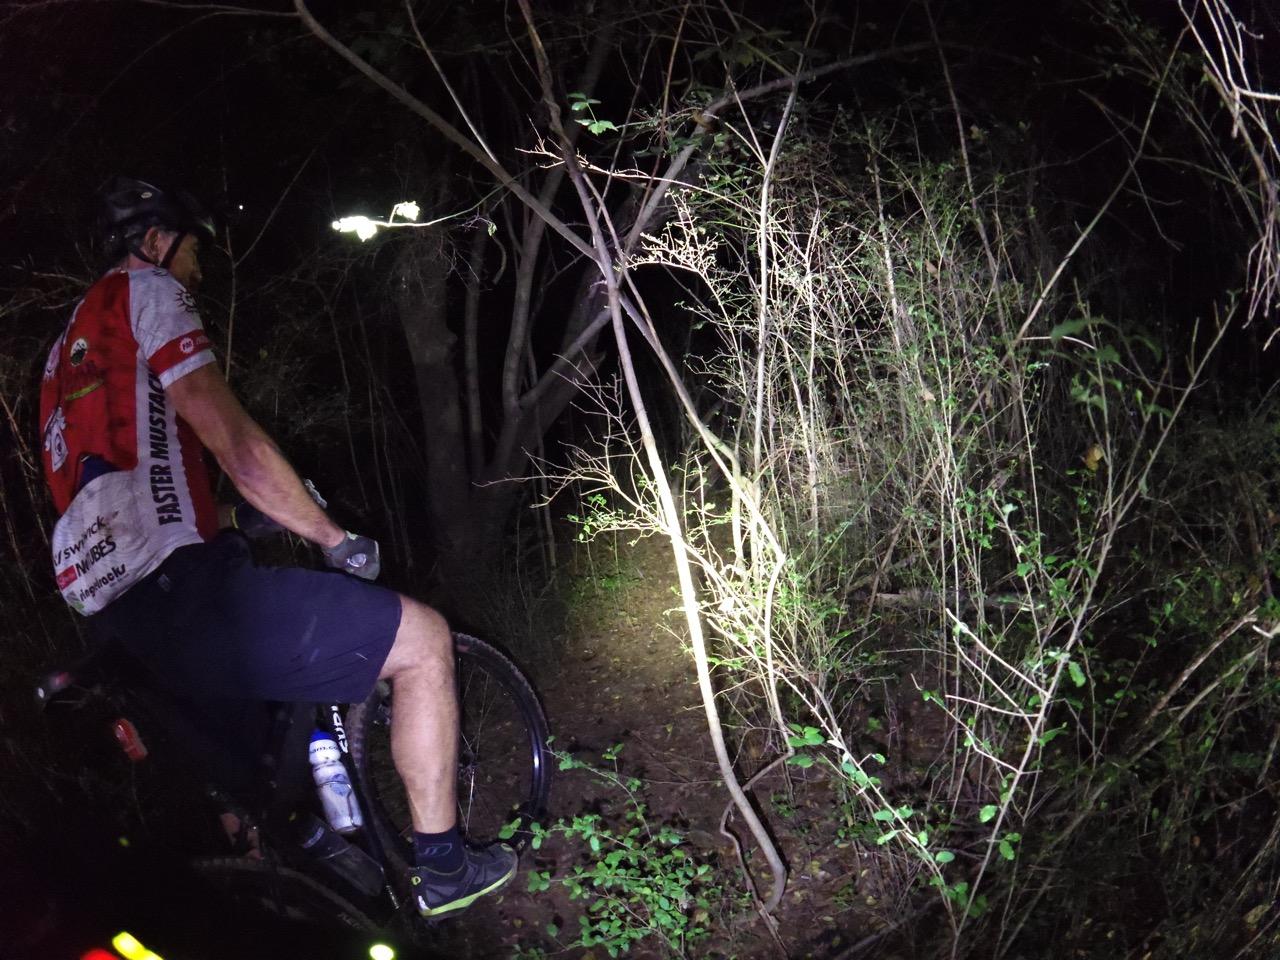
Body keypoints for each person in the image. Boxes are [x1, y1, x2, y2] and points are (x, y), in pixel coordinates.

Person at [38, 176, 516, 916]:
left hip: (111, 620)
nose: (196, 269)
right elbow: (232, 438)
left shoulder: (64, 354)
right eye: (192, 251)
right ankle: (446, 871)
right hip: (183, 594)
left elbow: (129, 491)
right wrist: (330, 535)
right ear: (156, 241)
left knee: (258, 786)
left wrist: (238, 520)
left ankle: (302, 890)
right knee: (423, 641)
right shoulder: (148, 293)